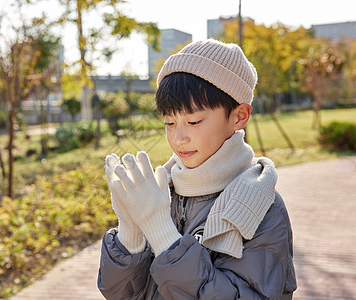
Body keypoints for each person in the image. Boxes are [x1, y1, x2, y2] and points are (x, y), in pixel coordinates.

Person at [97, 39, 297, 299]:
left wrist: (165, 237)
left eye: (193, 121)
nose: (179, 138)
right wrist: (130, 233)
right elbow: (119, 294)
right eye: (170, 122)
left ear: (238, 117)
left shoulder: (262, 207)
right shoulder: (162, 192)